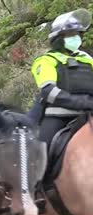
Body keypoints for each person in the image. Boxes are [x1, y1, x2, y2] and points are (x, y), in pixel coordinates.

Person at [28, 9, 93, 158]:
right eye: (70, 35)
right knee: (41, 153)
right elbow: (49, 91)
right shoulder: (46, 61)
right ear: (58, 39)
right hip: (59, 117)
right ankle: (38, 181)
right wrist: (83, 102)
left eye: (77, 35)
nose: (75, 38)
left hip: (89, 113)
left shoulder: (87, 59)